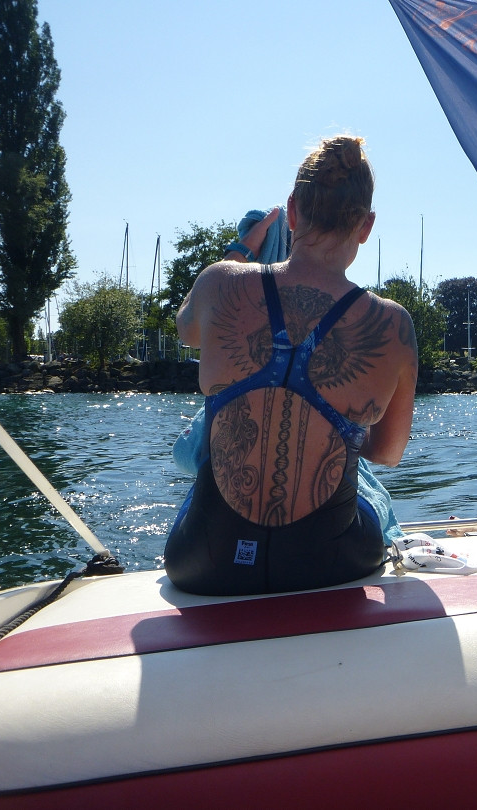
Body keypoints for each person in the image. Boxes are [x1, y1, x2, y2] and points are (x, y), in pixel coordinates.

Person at [164, 135, 418, 595]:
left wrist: (242, 249)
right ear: (366, 226)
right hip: (333, 561)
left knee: (209, 436)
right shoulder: (393, 326)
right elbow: (386, 453)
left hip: (204, 562)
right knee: (364, 479)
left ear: (293, 211)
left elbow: (188, 330)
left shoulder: (221, 283)